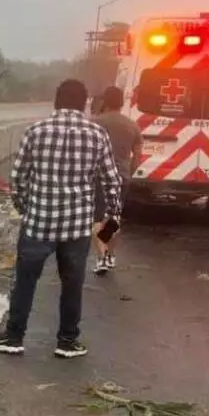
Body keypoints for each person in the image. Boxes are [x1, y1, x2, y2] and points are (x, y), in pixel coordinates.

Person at [0, 79, 122, 359]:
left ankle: (14, 337)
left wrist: (24, 208)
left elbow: (18, 177)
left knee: (25, 281)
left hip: (39, 223)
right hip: (77, 226)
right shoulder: (97, 134)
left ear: (56, 102)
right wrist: (112, 216)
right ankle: (67, 341)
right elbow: (111, 180)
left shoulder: (36, 131)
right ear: (84, 103)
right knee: (72, 284)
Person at [91, 86, 142, 275]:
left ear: (105, 101)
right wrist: (129, 173)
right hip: (121, 177)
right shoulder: (132, 125)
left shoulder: (94, 123)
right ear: (122, 103)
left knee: (98, 218)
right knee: (113, 217)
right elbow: (137, 156)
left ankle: (101, 257)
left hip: (99, 177)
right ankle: (110, 255)